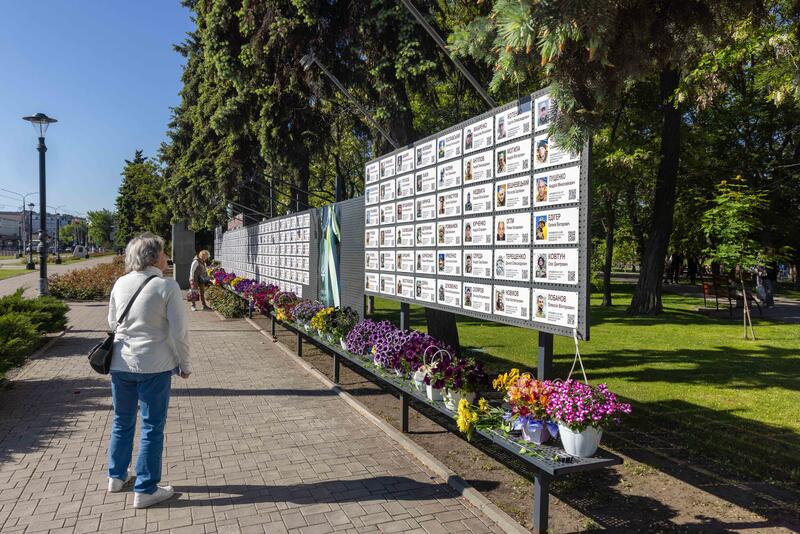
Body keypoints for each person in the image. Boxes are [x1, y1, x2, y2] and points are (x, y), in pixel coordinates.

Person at [106, 233, 191, 509]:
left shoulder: (120, 283)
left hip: (120, 364)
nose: (167, 257)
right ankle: (145, 489)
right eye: (164, 252)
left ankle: (116, 477)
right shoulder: (167, 287)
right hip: (154, 366)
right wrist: (185, 364)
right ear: (153, 257)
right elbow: (180, 333)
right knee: (152, 427)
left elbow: (112, 321)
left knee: (122, 421)